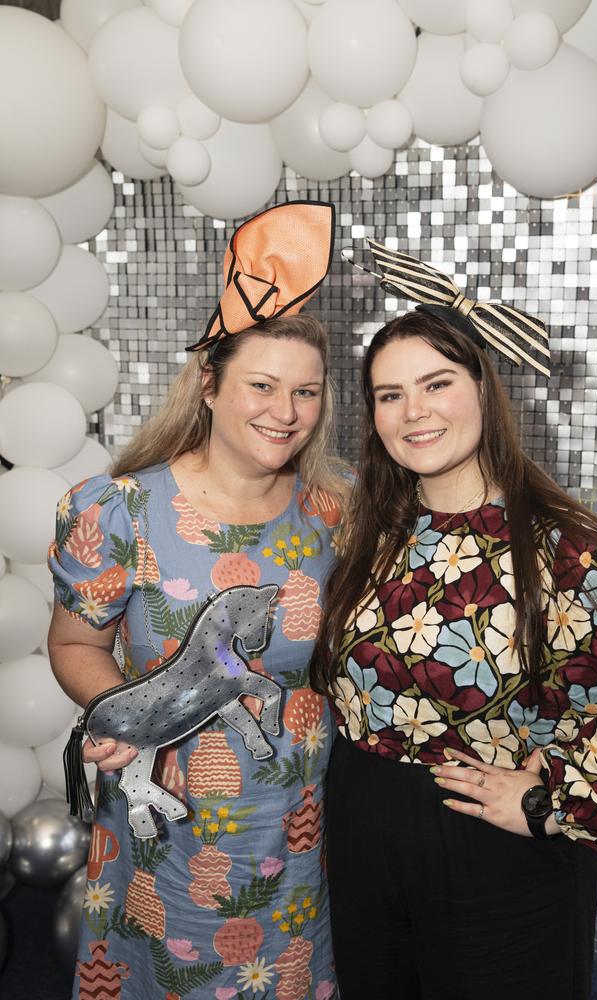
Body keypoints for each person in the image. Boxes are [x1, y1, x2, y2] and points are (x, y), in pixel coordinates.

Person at [311, 241, 597, 1000]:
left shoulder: (569, 548)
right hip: (365, 826)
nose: (414, 411)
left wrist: (549, 800)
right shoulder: (367, 531)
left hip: (493, 845)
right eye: (389, 394)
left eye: (436, 383)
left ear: (485, 388)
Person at [48, 201, 346, 1000]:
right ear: (209, 384)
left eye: (306, 392)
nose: (284, 413)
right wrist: (118, 711)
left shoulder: (331, 515)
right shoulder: (122, 511)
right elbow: (76, 646)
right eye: (262, 385)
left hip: (300, 827)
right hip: (169, 829)